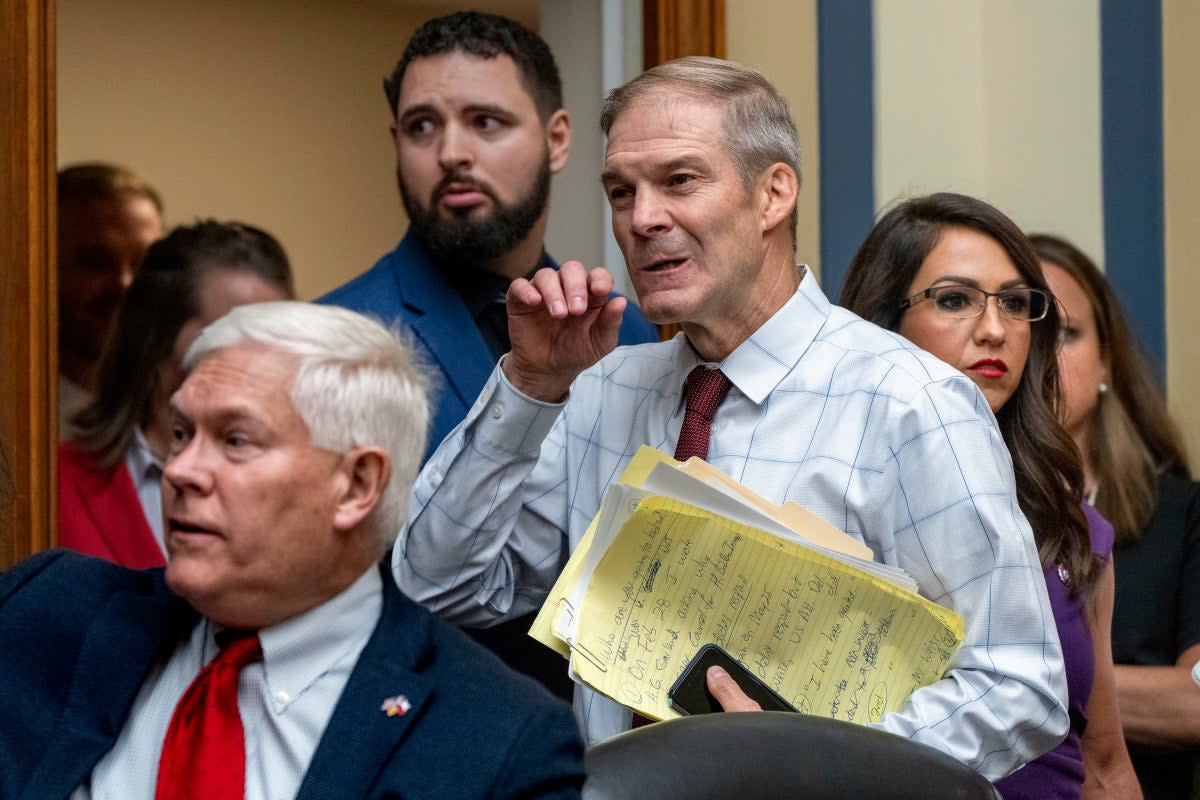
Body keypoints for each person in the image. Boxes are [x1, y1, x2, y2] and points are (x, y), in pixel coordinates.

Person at [393, 56, 1068, 780]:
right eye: (621, 192)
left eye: (679, 180)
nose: (642, 218)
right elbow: (440, 584)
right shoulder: (601, 393)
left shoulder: (910, 403)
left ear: (774, 193)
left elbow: (1018, 685)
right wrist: (529, 386)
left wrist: (808, 767)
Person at [1, 302, 585, 800]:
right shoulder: (44, 613)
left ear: (356, 485)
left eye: (235, 440)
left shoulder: (498, 743)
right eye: (181, 434)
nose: (180, 470)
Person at [319, 10, 657, 699]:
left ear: (557, 140)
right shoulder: (335, 339)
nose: (451, 153)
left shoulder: (635, 340)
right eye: (422, 127)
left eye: (486, 122)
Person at [835, 194, 1140, 799]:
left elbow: (1104, 763)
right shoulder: (830, 501)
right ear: (883, 320)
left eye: (1015, 304)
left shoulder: (1071, 525)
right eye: (954, 300)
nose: (995, 329)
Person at [1031, 233, 1200, 800]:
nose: (1044, 353)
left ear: (1107, 361)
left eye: (1068, 333)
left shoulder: (1184, 513)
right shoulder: (963, 511)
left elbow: (1197, 704)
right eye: (1030, 327)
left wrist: (1010, 684)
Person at [60, 220, 294, 567]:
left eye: (275, 338)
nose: (257, 360)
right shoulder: (54, 484)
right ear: (155, 338)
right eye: (230, 334)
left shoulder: (298, 482)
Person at [57, 162, 165, 437]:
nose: (125, 284)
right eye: (94, 262)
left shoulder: (184, 407)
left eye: (143, 262)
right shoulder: (18, 424)